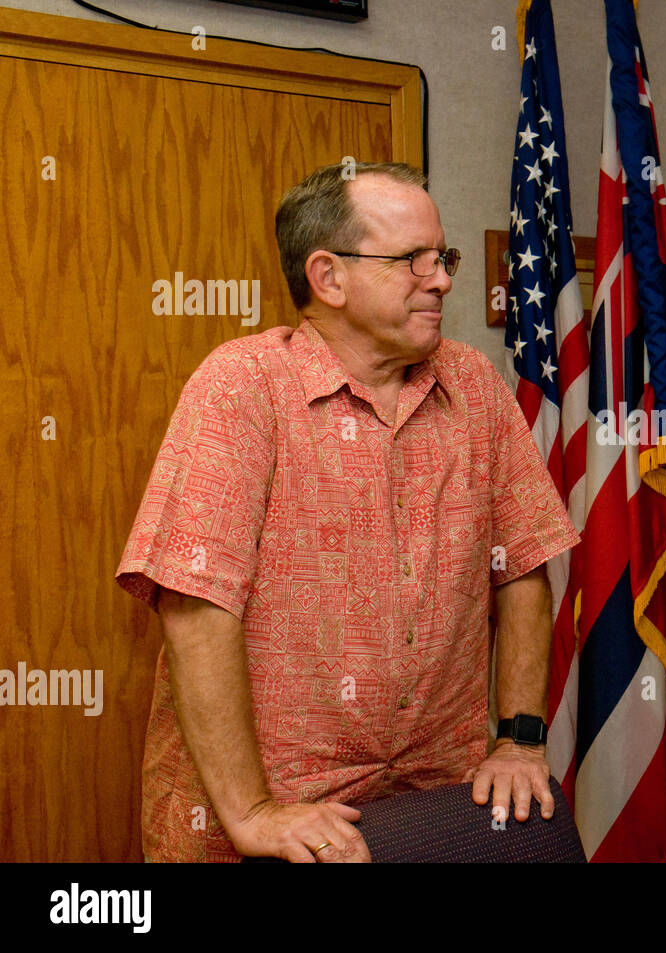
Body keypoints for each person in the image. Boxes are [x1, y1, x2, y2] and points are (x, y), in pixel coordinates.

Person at [116, 161, 579, 862]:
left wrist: (518, 737)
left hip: (435, 807)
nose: (443, 279)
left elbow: (521, 566)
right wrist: (252, 812)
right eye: (412, 261)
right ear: (327, 277)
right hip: (277, 817)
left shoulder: (475, 387)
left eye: (443, 257)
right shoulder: (241, 387)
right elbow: (195, 606)